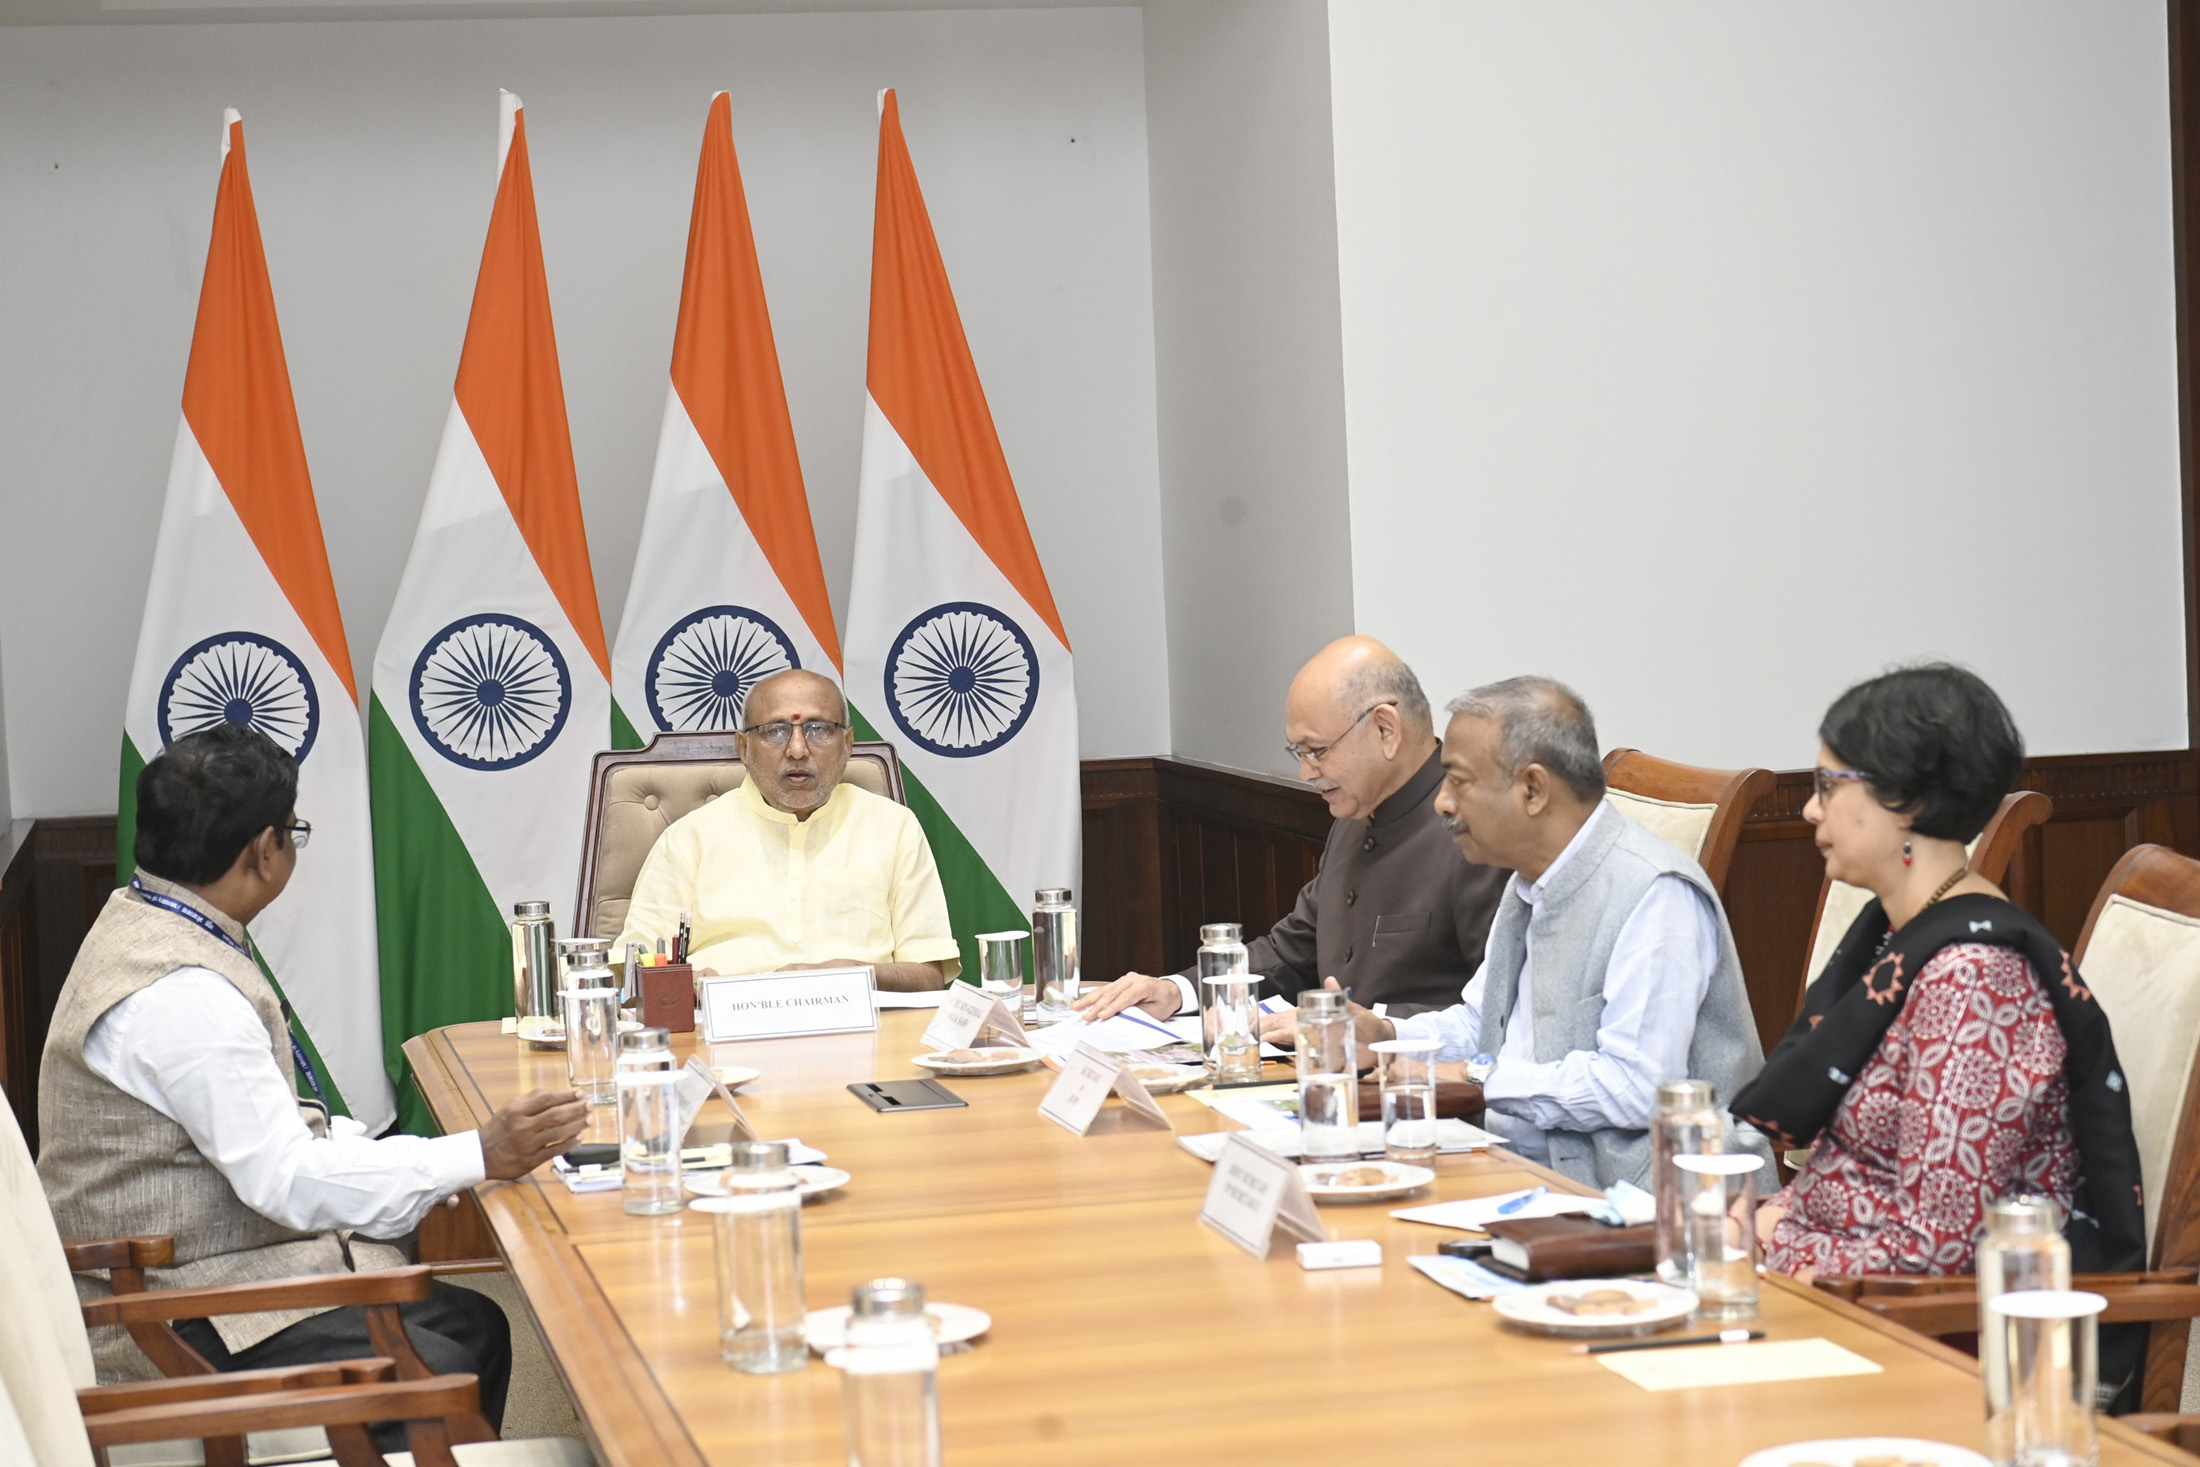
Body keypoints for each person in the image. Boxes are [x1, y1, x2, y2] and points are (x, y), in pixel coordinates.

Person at [37, 723, 585, 1444]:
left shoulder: (156, 920)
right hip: (166, 1316)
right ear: (265, 850)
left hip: (202, 1271)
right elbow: (285, 1179)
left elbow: (275, 1124)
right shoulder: (183, 994)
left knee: (473, 1322)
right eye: (292, 829)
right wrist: (477, 1153)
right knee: (441, 1361)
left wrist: (439, 1154)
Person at [1735, 665, 2144, 1288]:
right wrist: (1773, 1214)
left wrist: (1777, 1243)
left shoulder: (1976, 982)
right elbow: (1855, 1158)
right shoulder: (1896, 934)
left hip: (1928, 1333)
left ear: (1907, 801)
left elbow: (1934, 1252)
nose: (1810, 805)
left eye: (1828, 783)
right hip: (1832, 1280)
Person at [1278, 676, 1765, 1190]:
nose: (1442, 803)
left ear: (1532, 789)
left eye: (1459, 782)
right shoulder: (1528, 883)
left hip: (1648, 1203)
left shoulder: (1655, 893)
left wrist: (1479, 1079)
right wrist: (1387, 1038)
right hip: (1523, 1172)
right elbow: (1482, 1023)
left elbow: (1636, 1087)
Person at [1073, 637, 1505, 1024]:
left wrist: (1366, 1028)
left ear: (1385, 728)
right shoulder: (1353, 818)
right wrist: (1177, 991)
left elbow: (1496, 1016)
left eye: (1317, 751)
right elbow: (1290, 952)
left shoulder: (1480, 833)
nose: (1305, 772)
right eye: (1298, 752)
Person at [616, 669, 959, 990]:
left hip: (862, 1030)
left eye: (819, 729)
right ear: (743, 748)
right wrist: (690, 986)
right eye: (775, 731)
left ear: (848, 744)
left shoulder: (893, 827)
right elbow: (631, 970)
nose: (797, 750)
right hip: (727, 1035)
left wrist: (853, 975)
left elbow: (928, 974)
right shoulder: (689, 838)